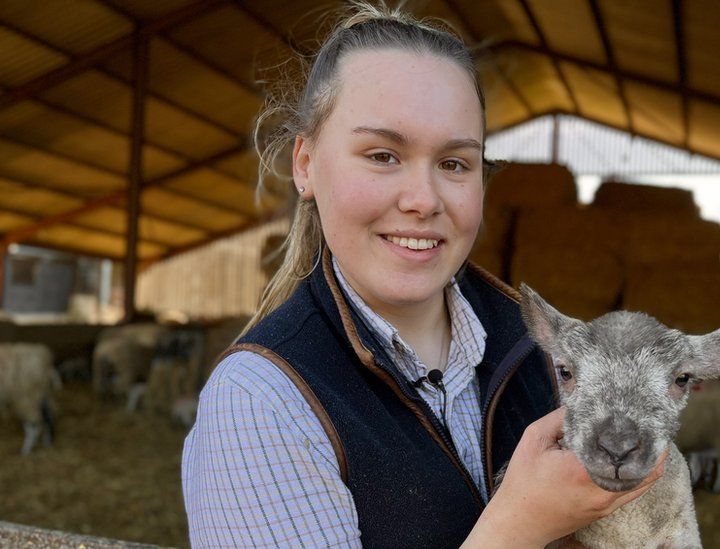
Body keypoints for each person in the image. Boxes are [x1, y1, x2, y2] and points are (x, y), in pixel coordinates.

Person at [181, 3, 665, 547]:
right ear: (306, 164)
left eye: (455, 163)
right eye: (383, 155)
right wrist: (522, 525)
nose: (423, 200)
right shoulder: (262, 402)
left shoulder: (549, 354)